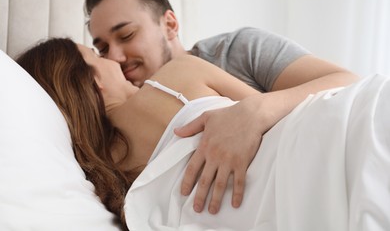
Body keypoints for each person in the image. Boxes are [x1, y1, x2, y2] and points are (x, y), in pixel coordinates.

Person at [17, 38, 390, 231]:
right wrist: (254, 110)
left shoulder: (103, 180)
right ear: (93, 79)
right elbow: (314, 102)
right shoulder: (176, 76)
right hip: (331, 135)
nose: (115, 60)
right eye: (98, 54)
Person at [83, 0, 360, 215]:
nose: (116, 56)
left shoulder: (237, 50)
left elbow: (348, 83)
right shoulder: (121, 124)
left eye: (127, 35)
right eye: (103, 49)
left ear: (169, 24)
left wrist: (256, 110)